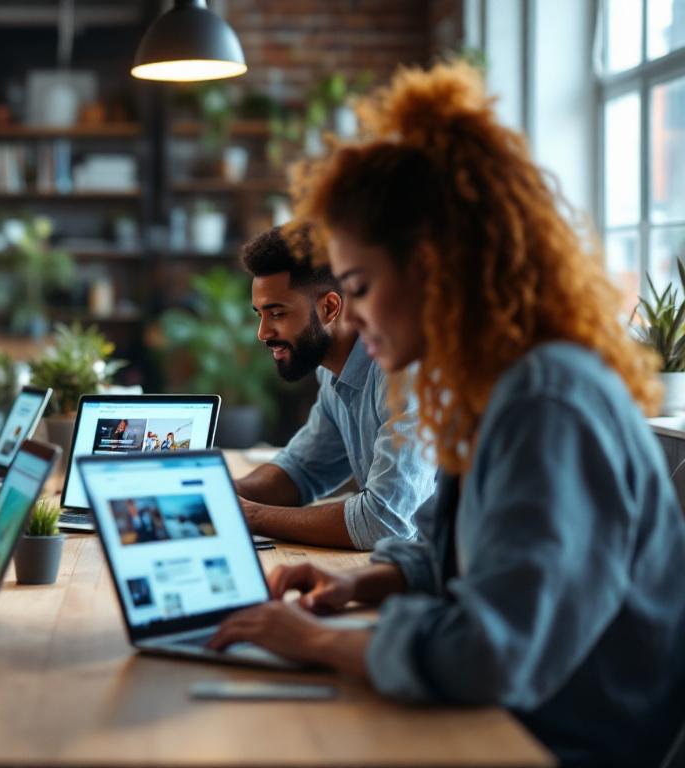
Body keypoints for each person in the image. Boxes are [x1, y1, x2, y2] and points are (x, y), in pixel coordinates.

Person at [206, 62, 685, 768]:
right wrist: (359, 583)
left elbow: (492, 652)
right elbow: (440, 549)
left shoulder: (548, 405)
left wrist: (315, 642)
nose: (354, 318)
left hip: (549, 744)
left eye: (362, 286)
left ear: (432, 267)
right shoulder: (494, 386)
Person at [232, 225, 435, 550]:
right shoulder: (333, 372)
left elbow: (384, 522)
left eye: (277, 313)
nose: (263, 332)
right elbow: (302, 470)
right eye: (260, 314)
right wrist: (220, 492)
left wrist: (251, 515)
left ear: (330, 307)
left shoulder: (403, 370)